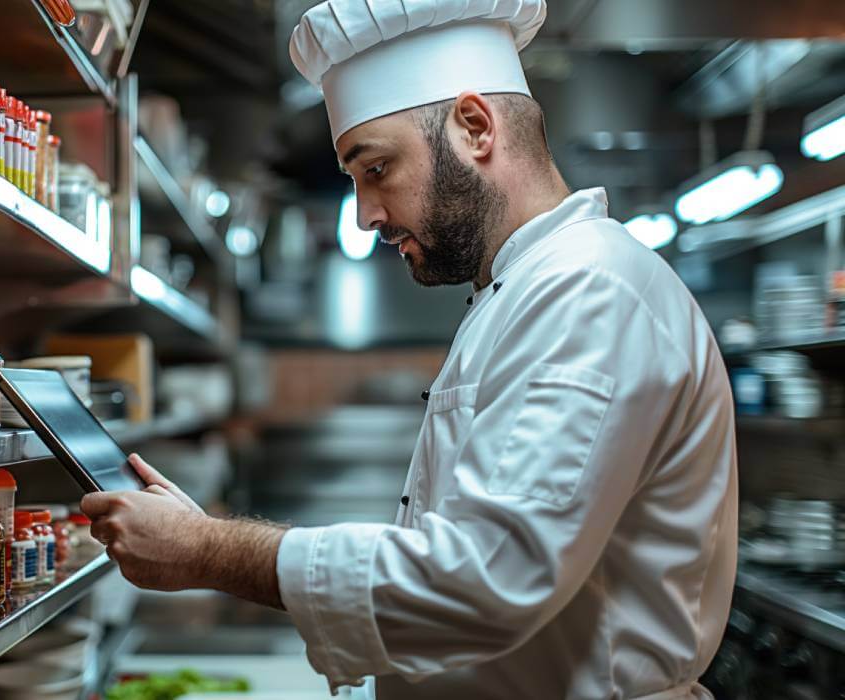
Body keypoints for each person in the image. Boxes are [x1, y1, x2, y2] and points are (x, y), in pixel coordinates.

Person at [81, 0, 738, 697]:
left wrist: (206, 550)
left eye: (376, 168)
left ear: (475, 127)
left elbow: (485, 580)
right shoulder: (520, 291)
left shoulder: (589, 292)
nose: (366, 216)